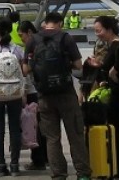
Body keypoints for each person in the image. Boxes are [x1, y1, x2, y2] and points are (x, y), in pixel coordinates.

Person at [27, 11, 88, 179]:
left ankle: (59, 174)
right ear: (60, 23)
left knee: (52, 138)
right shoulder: (65, 38)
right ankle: (83, 174)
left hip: (44, 96)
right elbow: (78, 65)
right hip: (66, 94)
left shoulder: (33, 39)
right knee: (75, 135)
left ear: (46, 23)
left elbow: (25, 69)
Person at [90, 15, 119, 178]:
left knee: (117, 130)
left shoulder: (117, 46)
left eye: (99, 30)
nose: (98, 34)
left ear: (109, 29)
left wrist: (113, 73)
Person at [0, 19, 27, 176]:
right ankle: (15, 165)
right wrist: (24, 93)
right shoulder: (18, 50)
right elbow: (22, 74)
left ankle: (1, 166)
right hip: (15, 94)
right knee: (15, 129)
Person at [16, 20, 47, 173]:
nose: (21, 39)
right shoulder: (44, 42)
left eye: (21, 35)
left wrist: (23, 92)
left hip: (33, 91)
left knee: (35, 128)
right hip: (43, 89)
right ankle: (45, 158)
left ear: (29, 32)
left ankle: (39, 160)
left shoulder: (30, 46)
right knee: (43, 126)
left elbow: (26, 73)